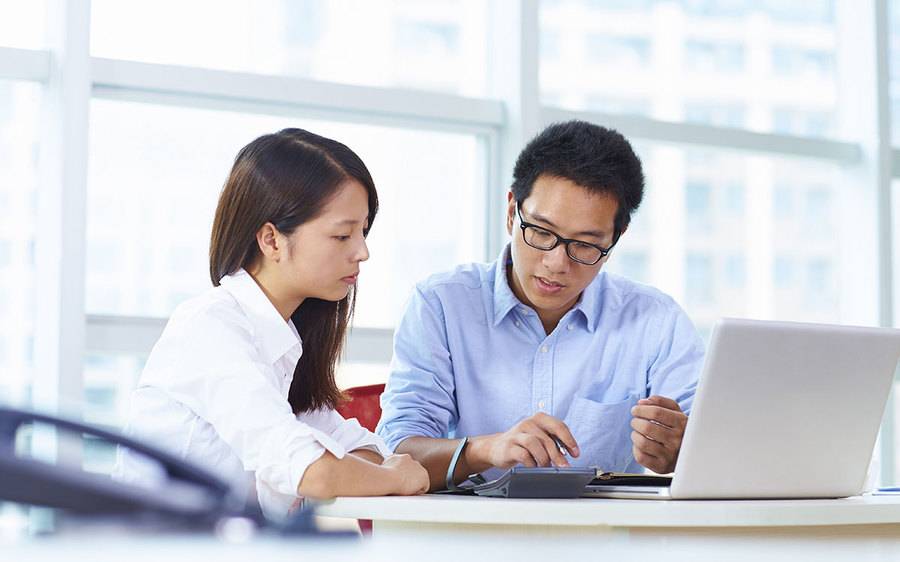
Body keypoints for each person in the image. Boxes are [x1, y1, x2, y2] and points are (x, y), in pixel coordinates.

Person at [115, 128, 429, 518]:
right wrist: (392, 479)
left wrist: (367, 469)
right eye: (342, 235)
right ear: (271, 239)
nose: (362, 252)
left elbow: (365, 448)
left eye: (362, 232)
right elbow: (310, 470)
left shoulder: (284, 341)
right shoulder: (211, 328)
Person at [377, 120, 705, 490]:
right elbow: (397, 453)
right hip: (469, 534)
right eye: (542, 232)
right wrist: (485, 450)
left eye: (585, 244)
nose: (556, 263)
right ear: (511, 210)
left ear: (617, 237)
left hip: (608, 538)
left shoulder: (654, 320)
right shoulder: (442, 304)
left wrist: (683, 448)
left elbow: (715, 446)